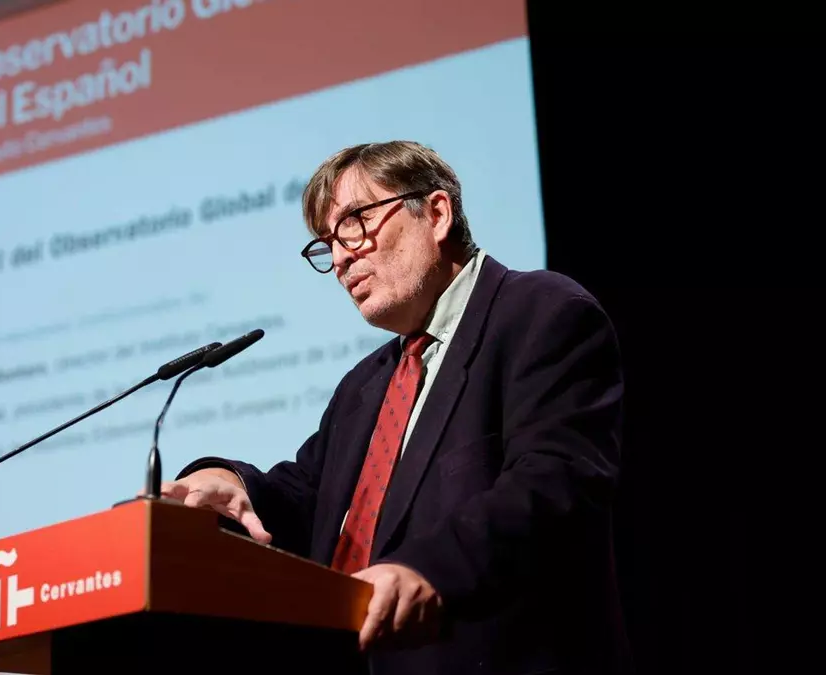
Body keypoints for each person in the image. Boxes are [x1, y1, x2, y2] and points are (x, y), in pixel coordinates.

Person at [163, 141, 632, 674]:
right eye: (328, 243)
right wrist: (232, 483)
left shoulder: (541, 314)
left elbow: (554, 484)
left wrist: (428, 570)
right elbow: (308, 496)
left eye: (355, 223)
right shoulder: (365, 384)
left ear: (437, 213)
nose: (340, 259)